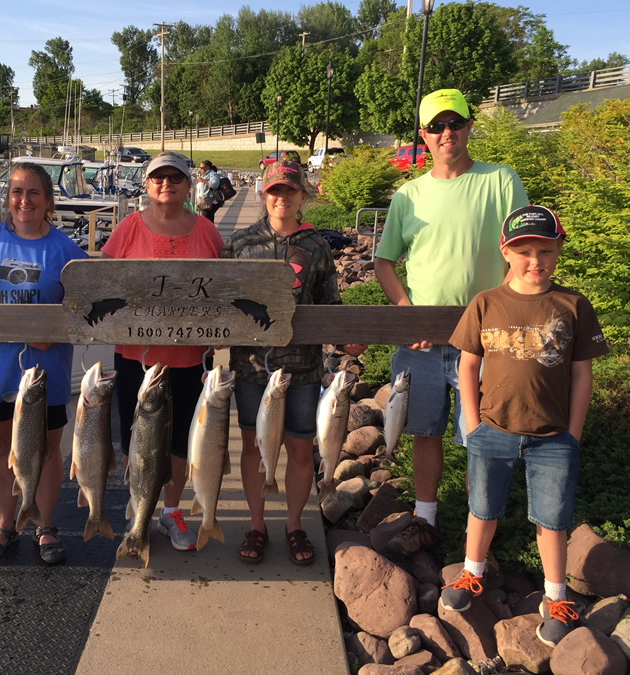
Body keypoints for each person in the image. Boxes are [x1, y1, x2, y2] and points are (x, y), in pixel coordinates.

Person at [440, 205, 608, 646]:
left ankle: (556, 597)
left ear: (558, 250)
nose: (536, 260)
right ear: (506, 253)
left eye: (546, 250)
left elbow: (581, 374)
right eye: (525, 251)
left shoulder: (573, 305)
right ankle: (471, 572)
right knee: (482, 508)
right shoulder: (486, 303)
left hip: (553, 438)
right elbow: (468, 364)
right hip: (492, 430)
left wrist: (573, 433)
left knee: (552, 521)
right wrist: (473, 423)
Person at [374, 88, 530, 559]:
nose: (447, 133)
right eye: (436, 126)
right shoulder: (409, 194)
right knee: (424, 429)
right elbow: (385, 263)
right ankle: (425, 519)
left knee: (482, 436)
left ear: (468, 127)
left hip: (484, 339)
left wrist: (500, 310)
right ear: (422, 135)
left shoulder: (500, 181)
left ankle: (477, 526)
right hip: (422, 341)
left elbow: (521, 252)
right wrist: (406, 311)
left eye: (455, 123)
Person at [221, 160, 365, 566]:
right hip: (251, 367)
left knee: (301, 451)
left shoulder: (317, 245)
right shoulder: (239, 244)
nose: (281, 198)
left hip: (302, 369)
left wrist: (345, 337)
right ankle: (256, 524)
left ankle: (295, 524)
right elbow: (221, 305)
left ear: (302, 196)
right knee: (254, 446)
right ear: (264, 195)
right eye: (274, 191)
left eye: (289, 191)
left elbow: (330, 304)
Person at [0, 162, 87, 565]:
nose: (23, 201)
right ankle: (6, 524)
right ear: (6, 197)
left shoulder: (65, 248)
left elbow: (85, 301)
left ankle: (45, 525)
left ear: (48, 200)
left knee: (46, 449)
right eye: (15, 192)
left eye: (33, 193)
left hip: (45, 370)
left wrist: (57, 327)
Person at [101, 151, 224, 552]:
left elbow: (224, 291)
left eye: (175, 178)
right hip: (135, 355)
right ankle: (139, 507)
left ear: (190, 185)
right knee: (134, 440)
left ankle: (171, 512)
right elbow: (100, 282)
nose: (166, 184)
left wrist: (221, 353)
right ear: (147, 184)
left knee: (178, 442)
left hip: (189, 358)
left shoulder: (207, 231)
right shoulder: (128, 228)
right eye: (158, 178)